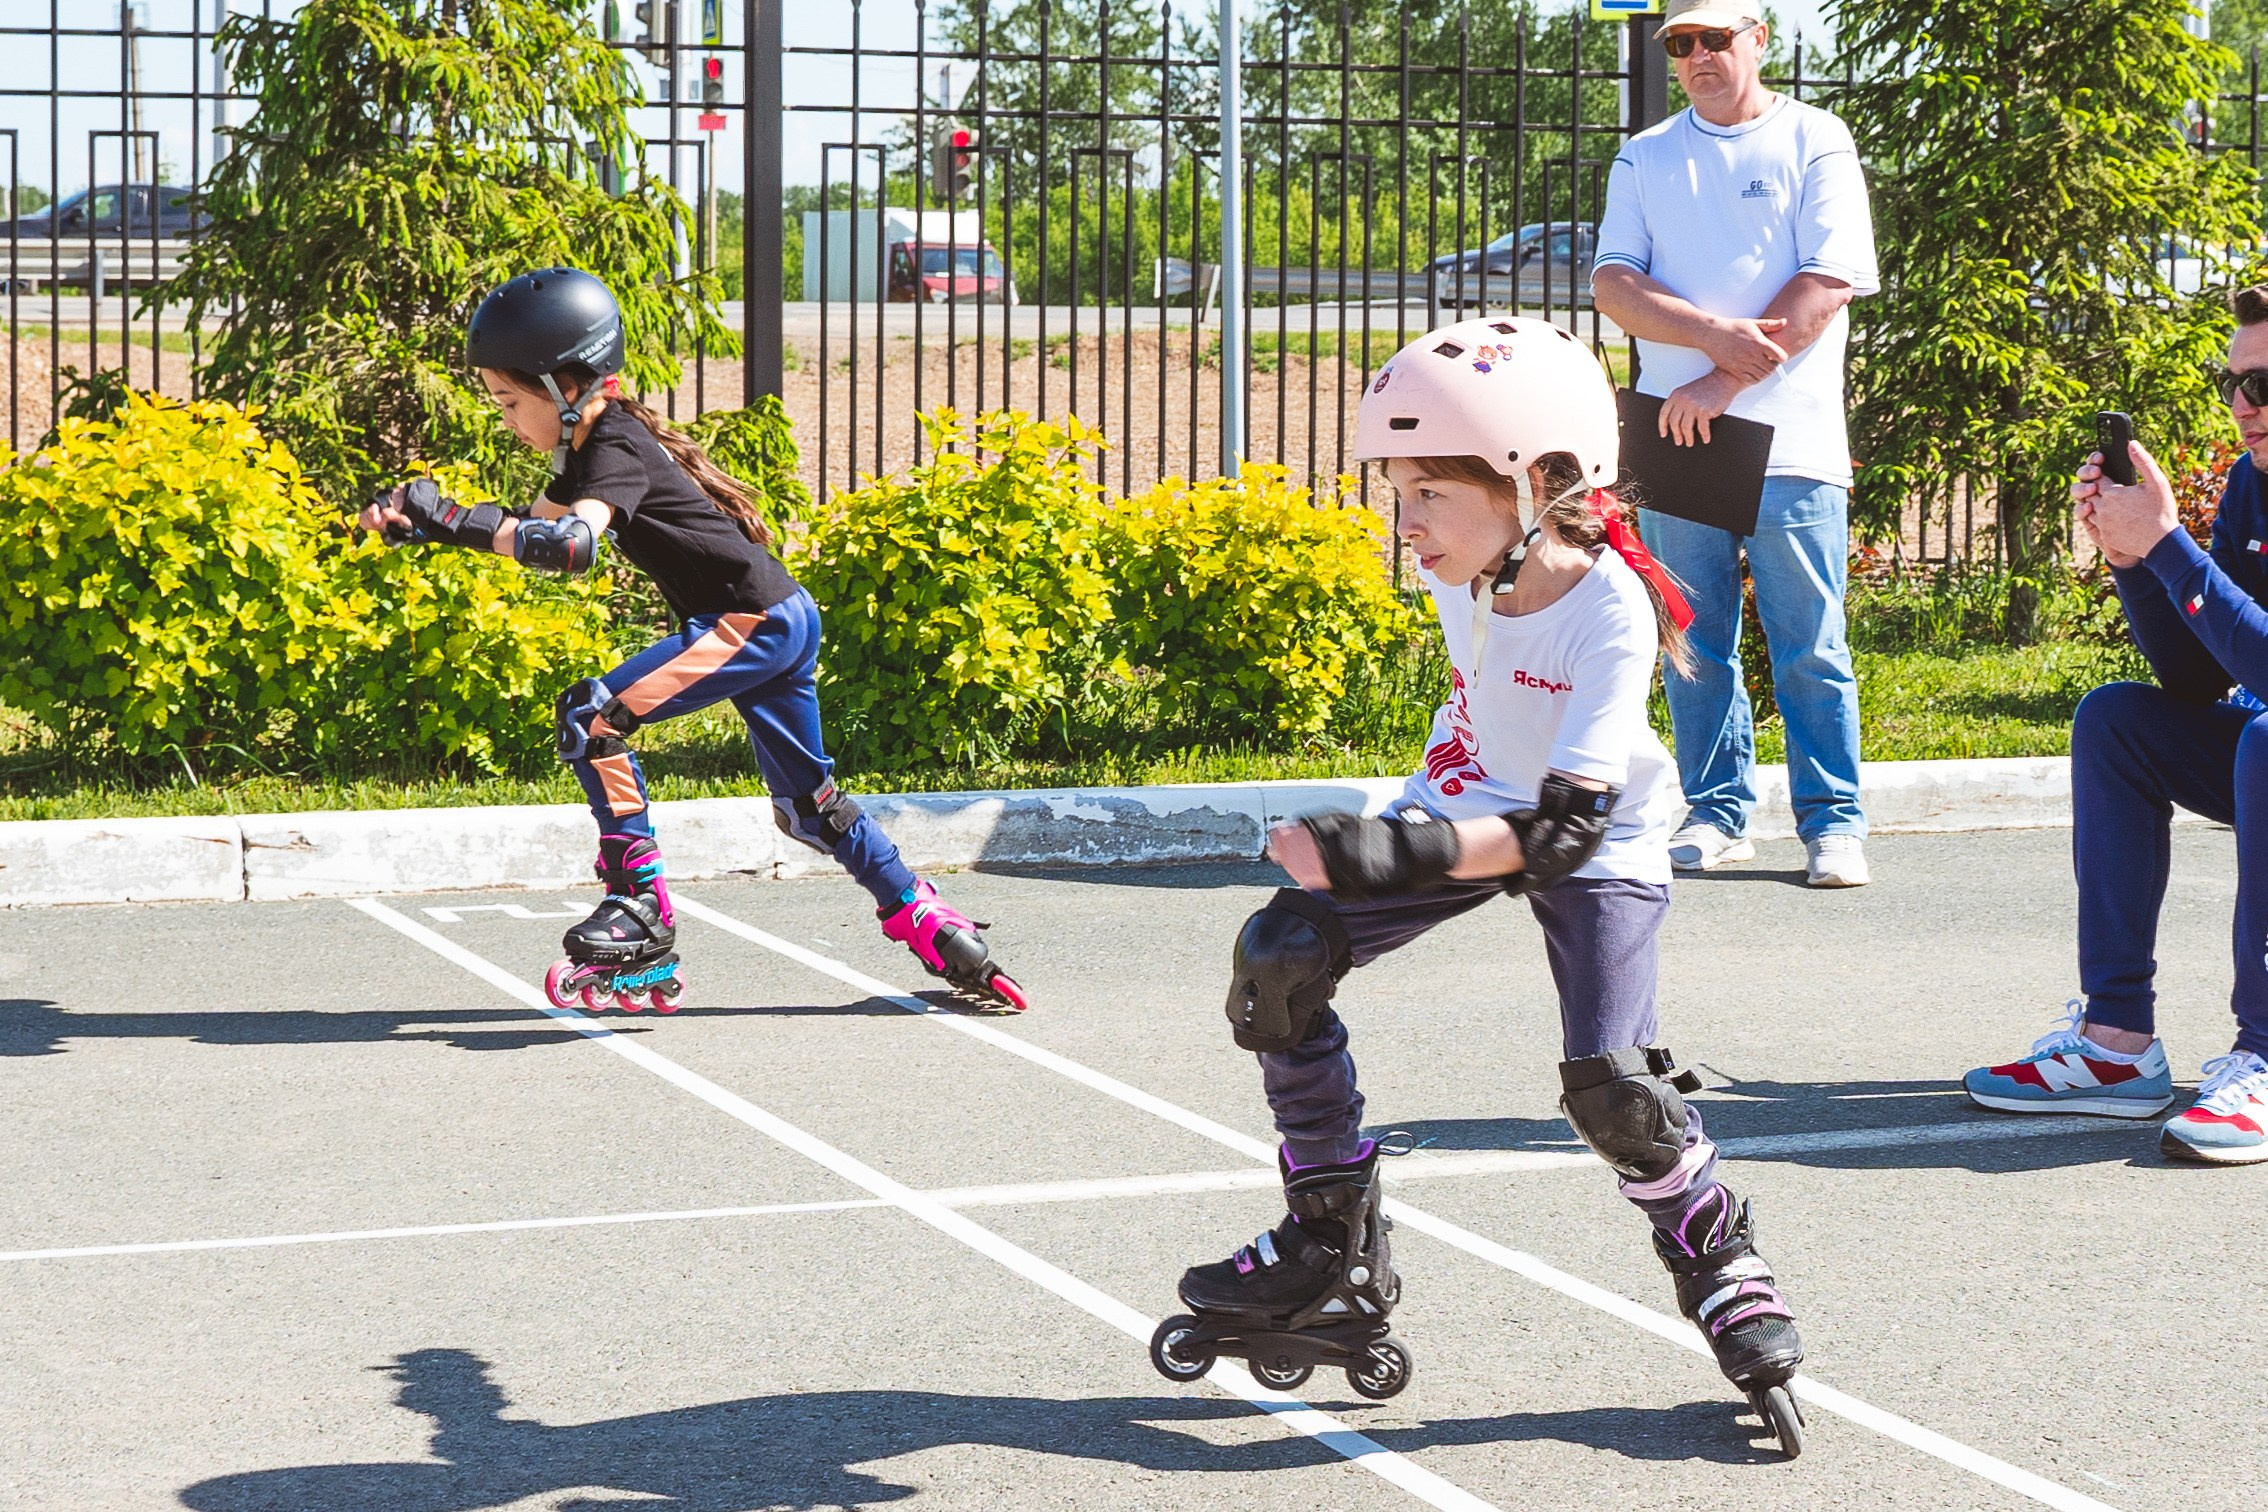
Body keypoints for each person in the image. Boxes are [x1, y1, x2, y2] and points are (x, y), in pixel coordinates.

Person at [1147, 317, 1806, 1453]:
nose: (1405, 528)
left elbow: (1557, 833)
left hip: (1591, 834)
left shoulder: (1611, 608)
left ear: (1537, 484)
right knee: (1281, 964)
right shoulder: (1469, 569)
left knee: (1613, 1090)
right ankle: (1330, 1246)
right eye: (1398, 495)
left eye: (1427, 498)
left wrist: (1364, 855)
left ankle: (1721, 1260)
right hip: (1473, 796)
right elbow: (1483, 725)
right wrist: (1380, 834)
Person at [358, 267, 1027, 1014]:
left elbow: (571, 547)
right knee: (808, 806)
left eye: (511, 402)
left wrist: (452, 516)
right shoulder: (591, 444)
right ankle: (926, 918)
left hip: (751, 622)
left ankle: (641, 909)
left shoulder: (611, 442)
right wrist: (427, 527)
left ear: (562, 385)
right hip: (779, 615)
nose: (508, 420)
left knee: (592, 717)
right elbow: (533, 527)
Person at [1961, 287, 2268, 1163]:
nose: (2245, 406)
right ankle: (2118, 1046)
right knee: (2115, 720)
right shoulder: (2254, 482)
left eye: (2265, 384)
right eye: (2234, 384)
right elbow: (2203, 675)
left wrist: (2172, 544)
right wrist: (2136, 564)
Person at [1590, 0, 1879, 888]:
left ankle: (1834, 823)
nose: (1698, 57)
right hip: (1675, 436)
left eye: (1716, 38)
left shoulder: (1817, 138)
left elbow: (1827, 282)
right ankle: (1718, 813)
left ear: (1759, 38)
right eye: (1681, 43)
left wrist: (1721, 379)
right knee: (1694, 641)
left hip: (1789, 441)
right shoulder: (1644, 155)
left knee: (1810, 644)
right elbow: (1613, 282)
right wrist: (1715, 340)